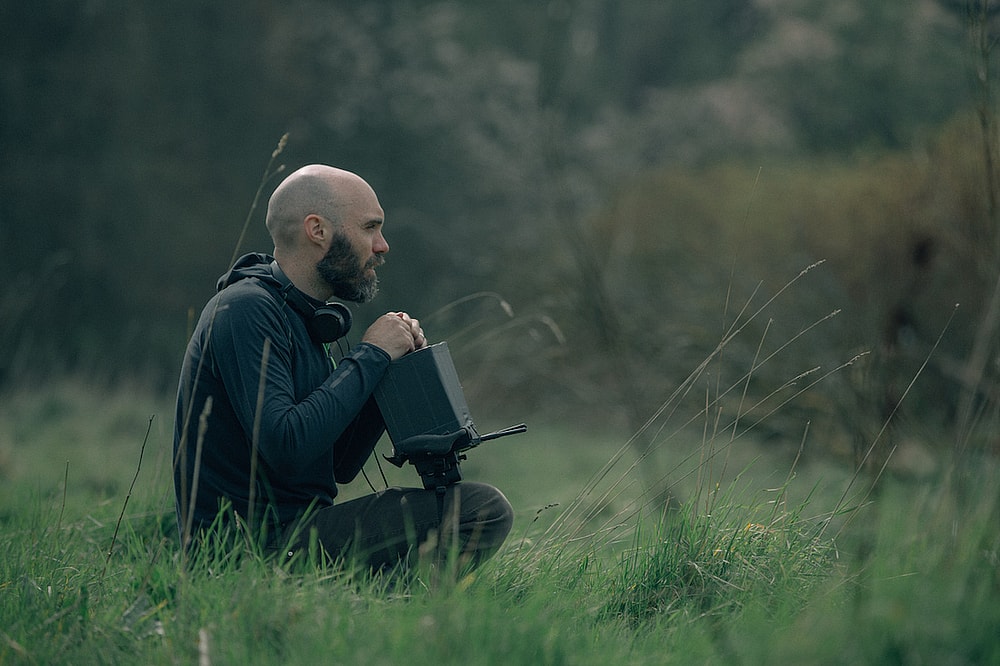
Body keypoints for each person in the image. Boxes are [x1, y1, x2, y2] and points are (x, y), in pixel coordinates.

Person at [173, 164, 514, 572]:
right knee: (483, 510)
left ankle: (379, 603)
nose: (383, 246)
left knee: (471, 507)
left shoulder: (305, 317)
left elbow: (338, 464)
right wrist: (371, 355)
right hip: (245, 552)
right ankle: (401, 608)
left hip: (290, 536)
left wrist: (387, 369)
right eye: (370, 228)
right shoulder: (246, 310)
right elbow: (286, 447)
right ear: (317, 230)